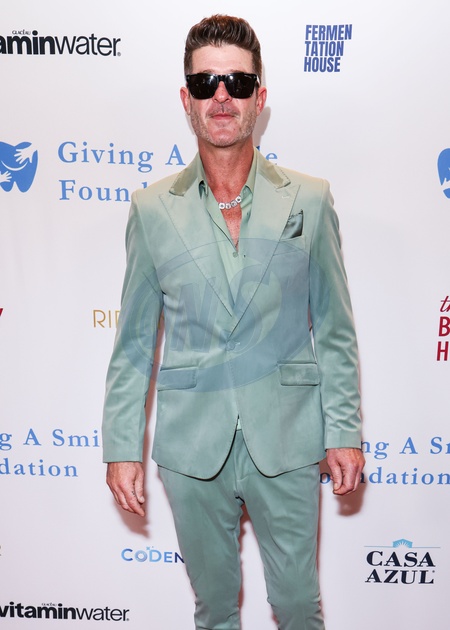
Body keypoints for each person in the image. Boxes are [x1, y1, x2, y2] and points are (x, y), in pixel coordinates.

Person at [102, 14, 365, 630]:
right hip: (192, 446)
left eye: (238, 83)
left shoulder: (309, 198)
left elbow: (334, 329)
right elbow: (134, 342)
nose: (222, 95)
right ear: (187, 99)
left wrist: (344, 430)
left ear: (259, 97)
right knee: (214, 610)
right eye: (206, 83)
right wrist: (121, 447)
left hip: (288, 438)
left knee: (298, 606)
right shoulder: (151, 209)